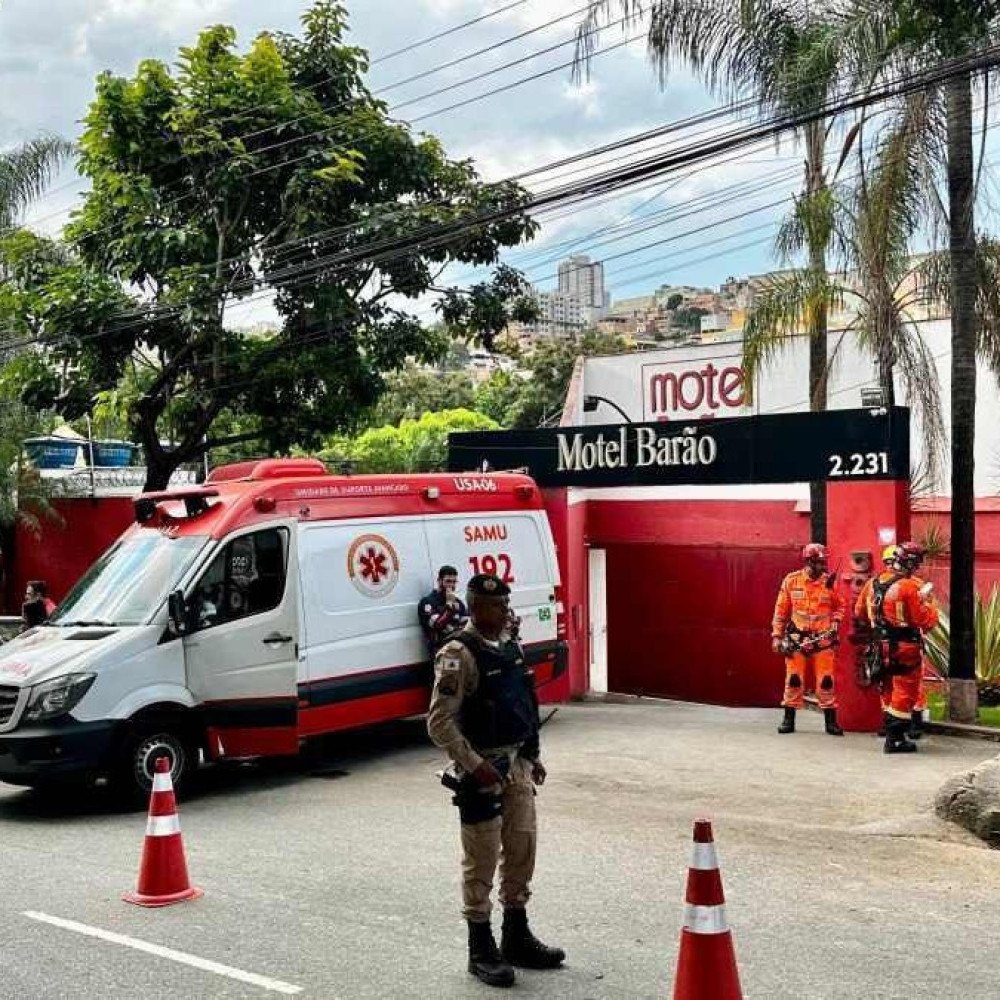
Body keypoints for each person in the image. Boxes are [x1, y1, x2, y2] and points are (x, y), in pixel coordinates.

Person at [427, 573, 564, 988]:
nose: (507, 611)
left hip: (516, 764)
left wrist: (532, 753)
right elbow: (439, 721)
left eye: (506, 605)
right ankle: (480, 947)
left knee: (522, 848)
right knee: (482, 858)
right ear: (477, 607)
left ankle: (516, 935)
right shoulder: (458, 653)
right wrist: (473, 765)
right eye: (499, 606)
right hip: (482, 771)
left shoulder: (509, 646)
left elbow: (526, 698)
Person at [857, 541, 938, 754]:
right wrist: (929, 603)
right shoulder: (910, 587)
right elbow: (926, 622)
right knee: (905, 691)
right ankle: (895, 739)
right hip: (904, 648)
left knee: (887, 688)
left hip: (878, 647)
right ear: (911, 563)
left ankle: (891, 732)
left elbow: (860, 613)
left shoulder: (872, 583)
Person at [771, 543, 845, 736]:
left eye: (823, 562)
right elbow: (781, 611)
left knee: (826, 682)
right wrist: (777, 637)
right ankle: (788, 719)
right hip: (797, 640)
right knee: (794, 680)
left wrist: (836, 621)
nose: (823, 565)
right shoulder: (792, 581)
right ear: (810, 562)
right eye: (820, 562)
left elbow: (840, 606)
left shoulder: (830, 583)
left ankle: (830, 722)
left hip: (823, 641)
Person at [418, 565, 468, 655]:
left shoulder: (458, 603)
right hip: (441, 651)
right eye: (448, 581)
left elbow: (466, 624)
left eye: (454, 582)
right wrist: (449, 606)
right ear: (439, 581)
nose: (451, 585)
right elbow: (437, 625)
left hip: (460, 649)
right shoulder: (428, 602)